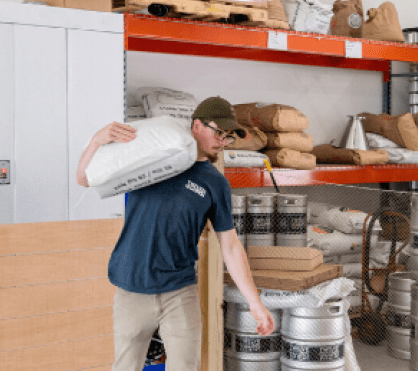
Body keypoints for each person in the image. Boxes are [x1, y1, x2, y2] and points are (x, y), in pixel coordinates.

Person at [76, 96, 275, 371]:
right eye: (219, 132)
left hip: (179, 290)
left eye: (229, 137)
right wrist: (97, 141)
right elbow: (85, 178)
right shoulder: (149, 158)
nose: (222, 141)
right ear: (196, 125)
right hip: (132, 286)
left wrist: (256, 303)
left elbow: (229, 245)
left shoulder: (215, 183)